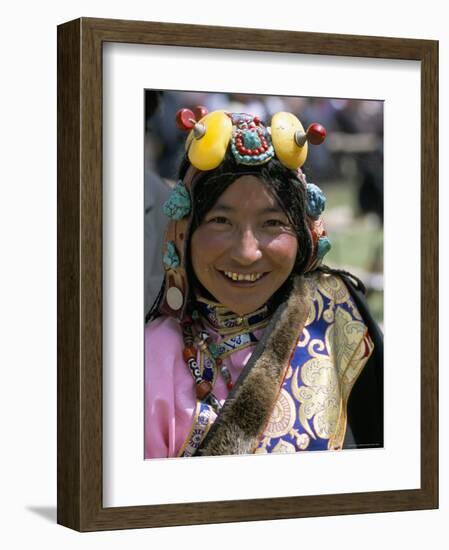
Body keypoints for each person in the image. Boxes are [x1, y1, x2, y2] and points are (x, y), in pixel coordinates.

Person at [144, 108, 383, 459]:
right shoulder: (150, 358)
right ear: (184, 232)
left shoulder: (337, 322)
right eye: (221, 220)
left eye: (272, 223)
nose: (246, 252)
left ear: (305, 235)